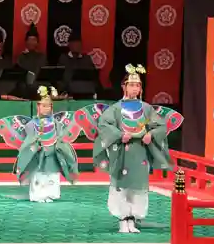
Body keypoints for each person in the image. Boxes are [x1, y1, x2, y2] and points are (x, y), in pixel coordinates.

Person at [74, 64, 184, 233]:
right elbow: (104, 124)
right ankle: (123, 219)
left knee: (138, 186)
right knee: (122, 185)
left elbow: (160, 126)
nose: (134, 88)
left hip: (140, 152)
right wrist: (119, 134)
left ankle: (133, 218)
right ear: (123, 87)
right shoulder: (116, 109)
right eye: (131, 84)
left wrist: (151, 135)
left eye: (137, 85)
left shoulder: (146, 109)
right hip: (122, 151)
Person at [0, 86, 80, 203]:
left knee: (52, 174)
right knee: (38, 175)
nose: (46, 109)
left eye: (48, 106)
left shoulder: (56, 123)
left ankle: (51, 194)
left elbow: (60, 136)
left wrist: (58, 146)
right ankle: (38, 195)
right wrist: (37, 142)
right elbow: (30, 137)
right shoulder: (32, 123)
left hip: (53, 151)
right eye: (43, 106)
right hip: (38, 151)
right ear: (38, 107)